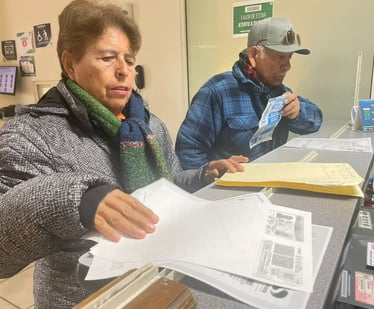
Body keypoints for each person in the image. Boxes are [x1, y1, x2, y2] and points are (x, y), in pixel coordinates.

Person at [0, 1, 248, 308]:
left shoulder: (147, 124)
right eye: (107, 58)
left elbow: (168, 186)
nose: (123, 71)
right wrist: (78, 200)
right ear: (70, 64)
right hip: (86, 299)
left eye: (129, 61)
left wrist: (202, 175)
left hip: (161, 284)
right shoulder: (32, 134)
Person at [175, 17, 323, 170]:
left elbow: (316, 121)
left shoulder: (278, 91)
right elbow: (187, 153)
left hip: (270, 182)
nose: (287, 66)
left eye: (289, 57)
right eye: (280, 57)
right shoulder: (217, 92)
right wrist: (209, 177)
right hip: (230, 189)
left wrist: (297, 113)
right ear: (253, 55)